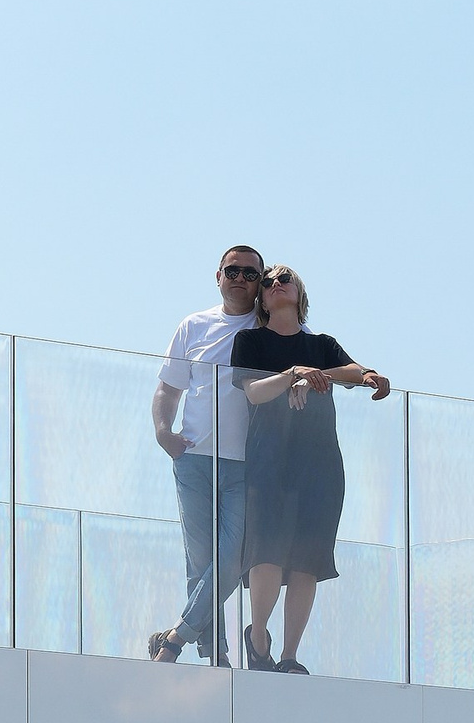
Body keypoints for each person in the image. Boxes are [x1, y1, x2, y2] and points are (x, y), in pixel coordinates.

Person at [232, 265, 391, 672]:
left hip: (319, 463)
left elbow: (353, 371)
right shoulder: (251, 341)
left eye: (284, 279)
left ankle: (289, 657)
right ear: (262, 300)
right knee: (266, 551)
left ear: (299, 292)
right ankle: (258, 636)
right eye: (267, 283)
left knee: (308, 560)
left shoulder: (321, 344)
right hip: (270, 460)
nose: (275, 285)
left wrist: (364, 375)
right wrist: (292, 375)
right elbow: (254, 392)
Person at [148, 244, 266, 662]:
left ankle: (175, 638)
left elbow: (316, 355)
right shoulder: (193, 325)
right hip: (194, 459)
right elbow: (168, 387)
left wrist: (357, 373)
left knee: (232, 558)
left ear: (260, 283)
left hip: (245, 464)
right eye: (232, 270)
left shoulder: (269, 329)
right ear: (218, 276)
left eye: (250, 274)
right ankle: (216, 652)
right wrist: (164, 432)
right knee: (201, 563)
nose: (240, 278)